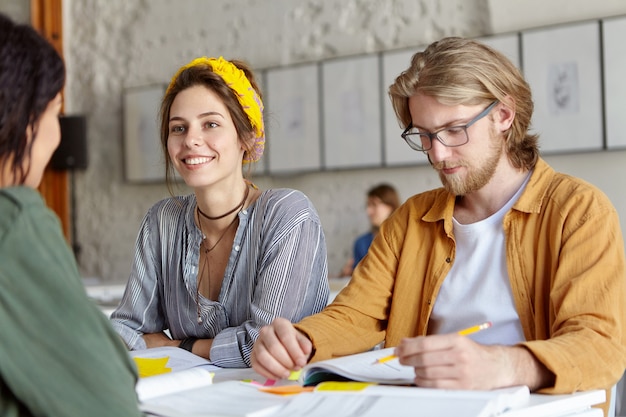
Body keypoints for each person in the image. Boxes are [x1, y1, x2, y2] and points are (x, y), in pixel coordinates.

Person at [251, 37, 626, 416]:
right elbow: (356, 314)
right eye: (425, 135)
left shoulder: (578, 211)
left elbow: (600, 346)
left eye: (454, 129)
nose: (438, 153)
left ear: (504, 115)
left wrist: (503, 364)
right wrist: (301, 340)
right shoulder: (411, 219)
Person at [110, 56, 329, 368]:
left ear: (246, 136)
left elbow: (264, 345)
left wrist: (177, 345)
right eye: (178, 128)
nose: (191, 140)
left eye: (210, 124)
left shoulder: (288, 215)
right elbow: (124, 330)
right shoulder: (162, 221)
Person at [0, 13, 143, 417]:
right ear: (24, 118)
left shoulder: (285, 213)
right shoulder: (14, 222)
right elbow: (109, 397)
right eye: (55, 113)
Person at [340, 183, 400, 276]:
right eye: (368, 205)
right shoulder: (361, 242)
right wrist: (346, 274)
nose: (369, 211)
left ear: (390, 206)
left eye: (374, 205)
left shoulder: (404, 239)